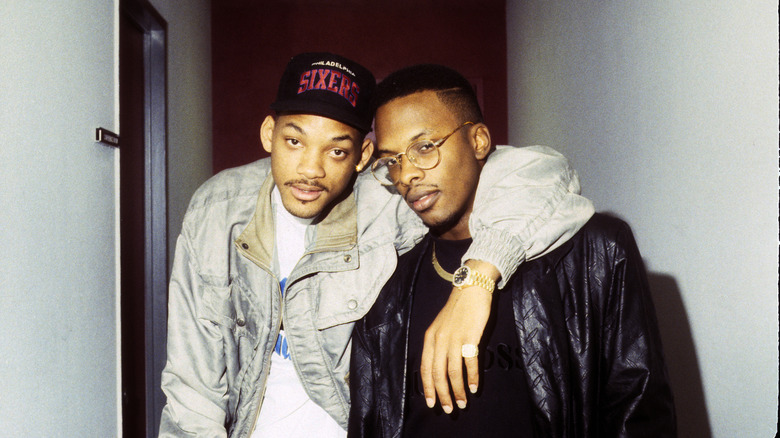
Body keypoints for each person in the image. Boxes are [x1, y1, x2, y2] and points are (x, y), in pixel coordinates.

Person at [158, 53, 593, 437]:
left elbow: (542, 173)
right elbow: (192, 384)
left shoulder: (386, 198)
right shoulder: (218, 209)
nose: (310, 169)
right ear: (269, 133)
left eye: (337, 151)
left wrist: (476, 281)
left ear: (363, 157)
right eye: (295, 140)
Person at [349, 64, 677, 437]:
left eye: (424, 147)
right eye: (392, 160)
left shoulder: (594, 250)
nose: (406, 175)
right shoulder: (387, 282)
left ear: (478, 142)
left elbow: (639, 411)